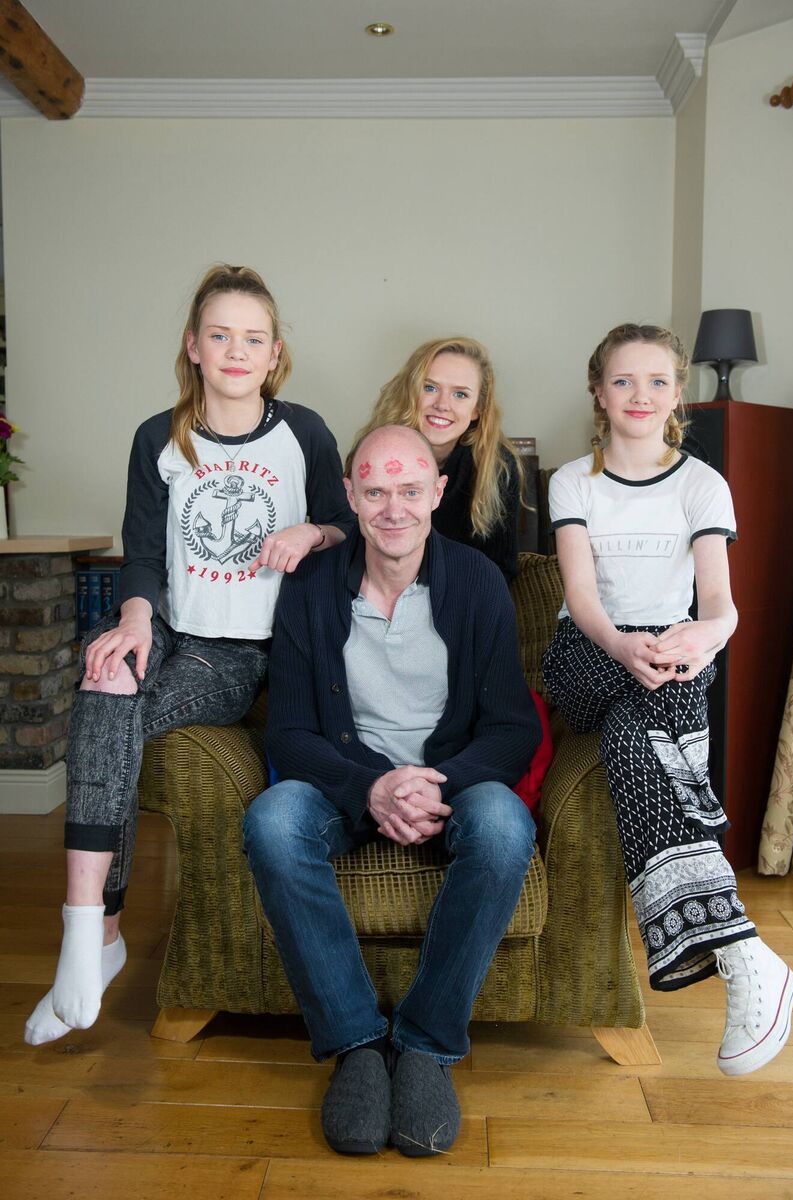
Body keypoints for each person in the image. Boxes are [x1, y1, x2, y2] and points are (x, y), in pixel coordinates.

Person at [25, 264, 354, 1046]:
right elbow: (141, 553)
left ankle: (99, 936)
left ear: (274, 353)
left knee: (120, 720)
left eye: (253, 337)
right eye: (220, 335)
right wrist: (134, 622)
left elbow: (346, 523)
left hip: (241, 648)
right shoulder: (158, 436)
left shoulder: (301, 432)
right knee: (107, 682)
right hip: (170, 619)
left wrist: (311, 531)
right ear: (193, 347)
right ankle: (88, 929)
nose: (236, 350)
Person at [243, 424, 539, 1155]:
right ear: (349, 496)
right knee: (274, 821)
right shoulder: (309, 586)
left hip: (451, 784)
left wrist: (436, 785)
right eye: (374, 492)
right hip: (346, 787)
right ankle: (355, 1045)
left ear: (437, 493)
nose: (393, 509)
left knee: (503, 829)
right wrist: (373, 788)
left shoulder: (475, 582)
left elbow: (510, 728)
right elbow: (289, 734)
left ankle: (427, 1045)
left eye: (410, 490)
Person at [542, 322, 793, 1077]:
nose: (639, 395)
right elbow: (581, 598)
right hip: (588, 655)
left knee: (633, 737)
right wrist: (625, 644)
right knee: (640, 707)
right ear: (597, 391)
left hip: (673, 651)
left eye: (656, 381)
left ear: (677, 393)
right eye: (622, 381)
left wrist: (701, 639)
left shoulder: (700, 484)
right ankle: (744, 951)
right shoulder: (571, 481)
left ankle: (744, 959)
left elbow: (720, 605)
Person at [347, 337, 522, 581]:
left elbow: (501, 568)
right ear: (411, 392)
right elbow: (350, 547)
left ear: (476, 409)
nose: (442, 405)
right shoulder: (372, 453)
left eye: (460, 394)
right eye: (429, 388)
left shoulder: (497, 467)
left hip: (464, 596)